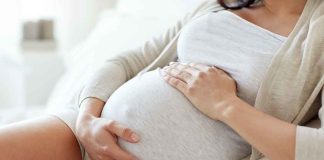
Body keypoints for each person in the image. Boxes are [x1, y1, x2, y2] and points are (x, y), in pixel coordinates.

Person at [0, 0, 323, 160]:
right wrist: (87, 116)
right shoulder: (217, 5)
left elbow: (317, 148)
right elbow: (124, 62)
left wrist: (224, 105)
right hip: (86, 136)